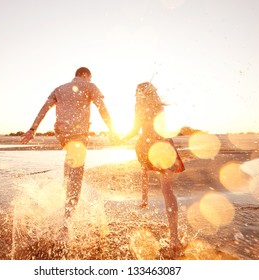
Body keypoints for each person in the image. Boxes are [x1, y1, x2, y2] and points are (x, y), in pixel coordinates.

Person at [21, 67, 118, 223]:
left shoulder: (59, 89)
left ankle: (61, 201)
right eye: (90, 77)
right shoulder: (90, 86)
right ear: (85, 75)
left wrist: (33, 129)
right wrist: (112, 129)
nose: (90, 80)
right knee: (76, 178)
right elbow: (102, 108)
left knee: (70, 166)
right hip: (78, 134)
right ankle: (66, 224)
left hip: (62, 134)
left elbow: (44, 109)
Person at [122, 82, 185, 258]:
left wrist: (121, 138)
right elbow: (162, 129)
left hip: (147, 144)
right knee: (167, 189)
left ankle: (144, 197)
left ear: (140, 93)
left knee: (145, 166)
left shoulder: (139, 105)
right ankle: (174, 237)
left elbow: (136, 129)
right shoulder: (159, 107)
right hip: (164, 145)